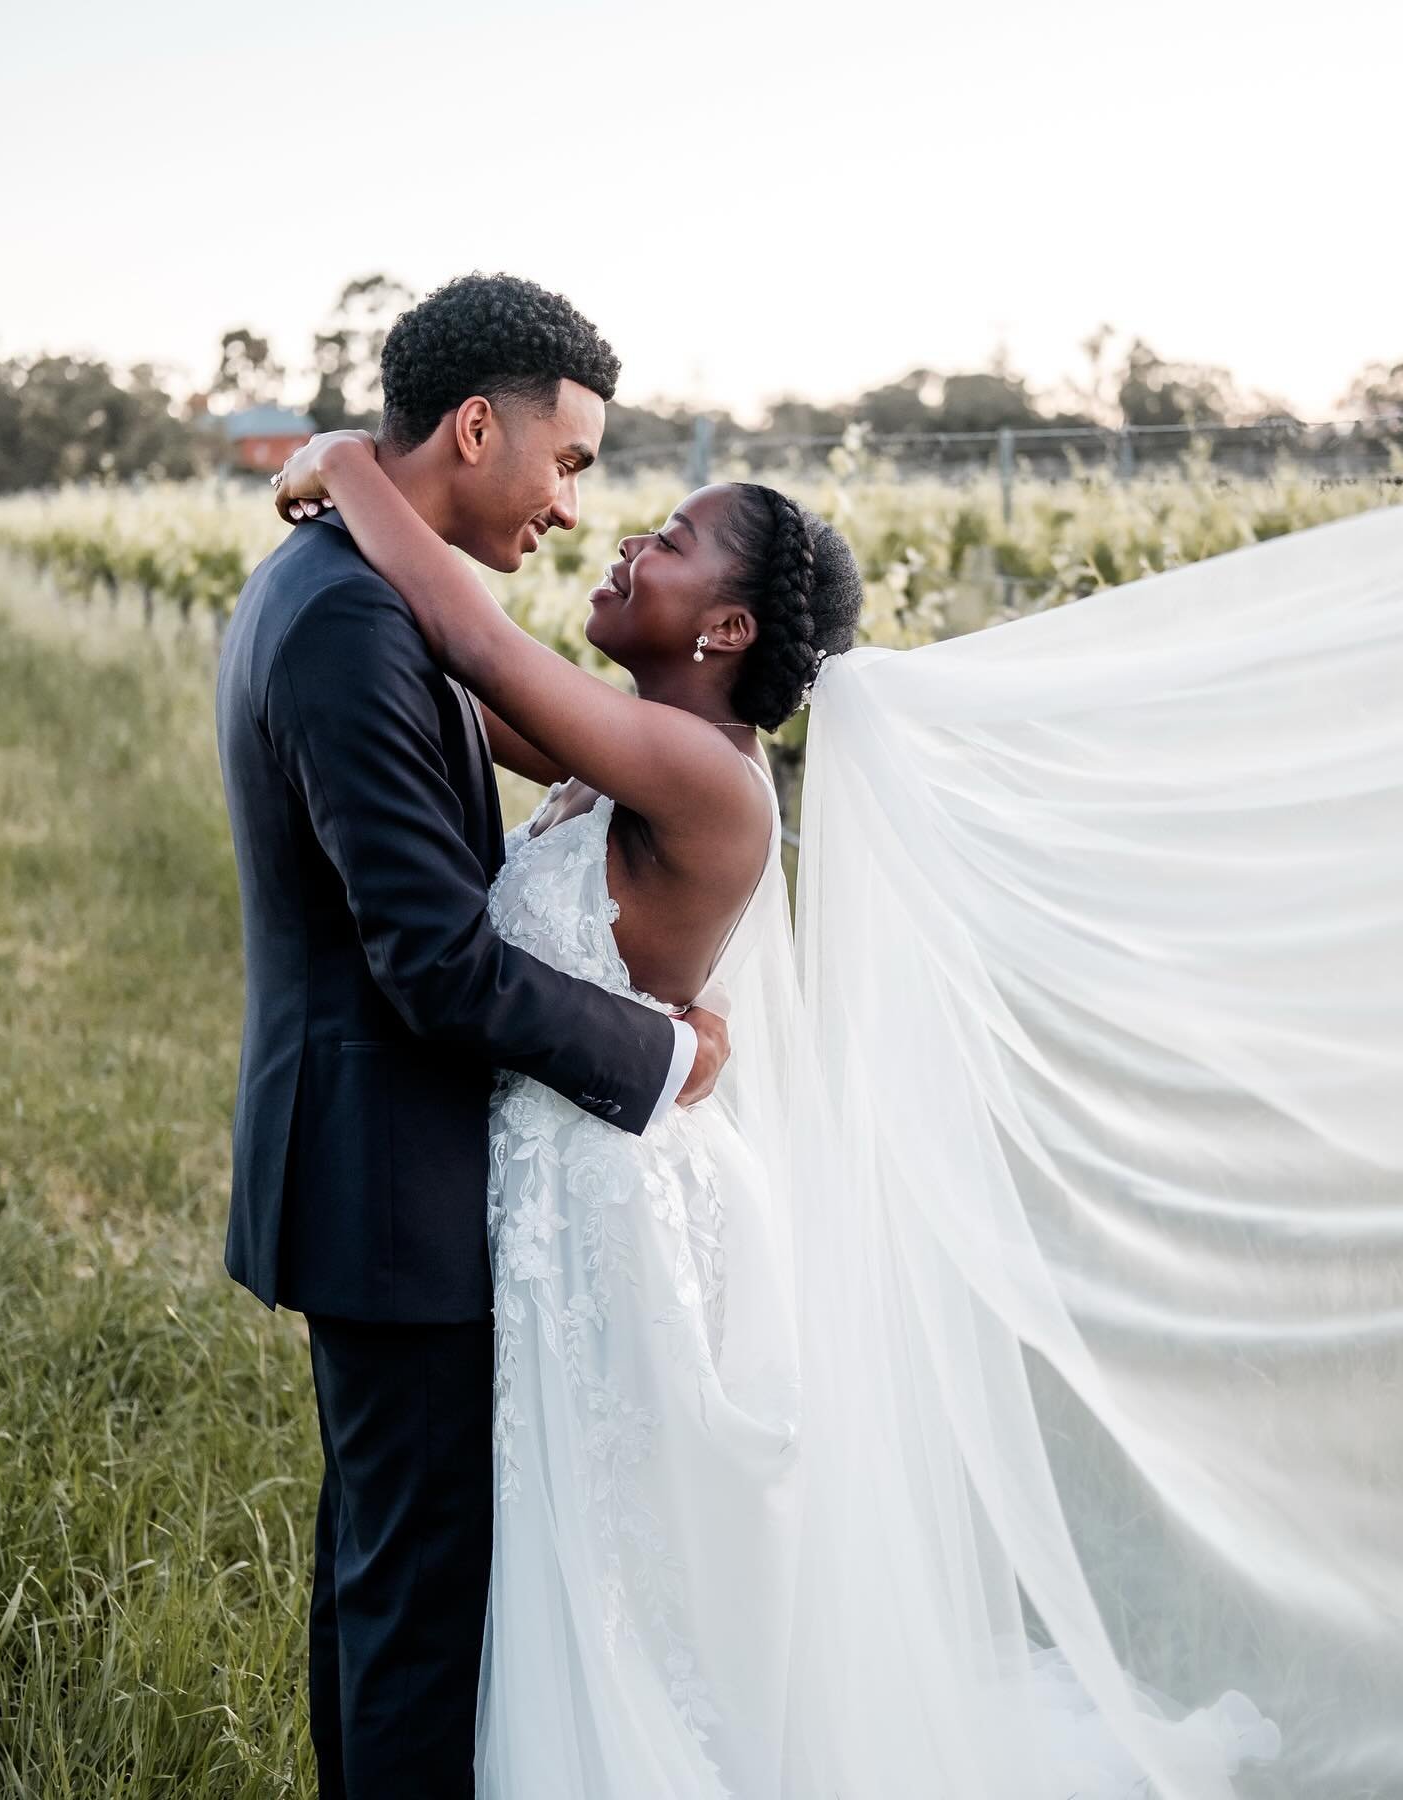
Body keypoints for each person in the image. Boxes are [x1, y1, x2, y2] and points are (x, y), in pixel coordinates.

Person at [278, 427, 1403, 1794]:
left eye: (670, 544)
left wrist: (349, 466)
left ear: (728, 625)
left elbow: (477, 644)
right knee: (550, 1564)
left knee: (616, 1582)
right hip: (554, 1188)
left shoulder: (706, 777)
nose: (628, 543)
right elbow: (445, 682)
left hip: (613, 1218)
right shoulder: (637, 748)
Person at [214, 274, 730, 1800]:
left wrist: (337, 466)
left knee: (390, 1581)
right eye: (569, 462)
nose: (576, 508)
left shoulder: (360, 596)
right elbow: (436, 964)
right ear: (477, 425)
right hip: (389, 1189)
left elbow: (513, 716)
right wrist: (664, 1056)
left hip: (388, 1179)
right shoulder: (354, 626)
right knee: (420, 1615)